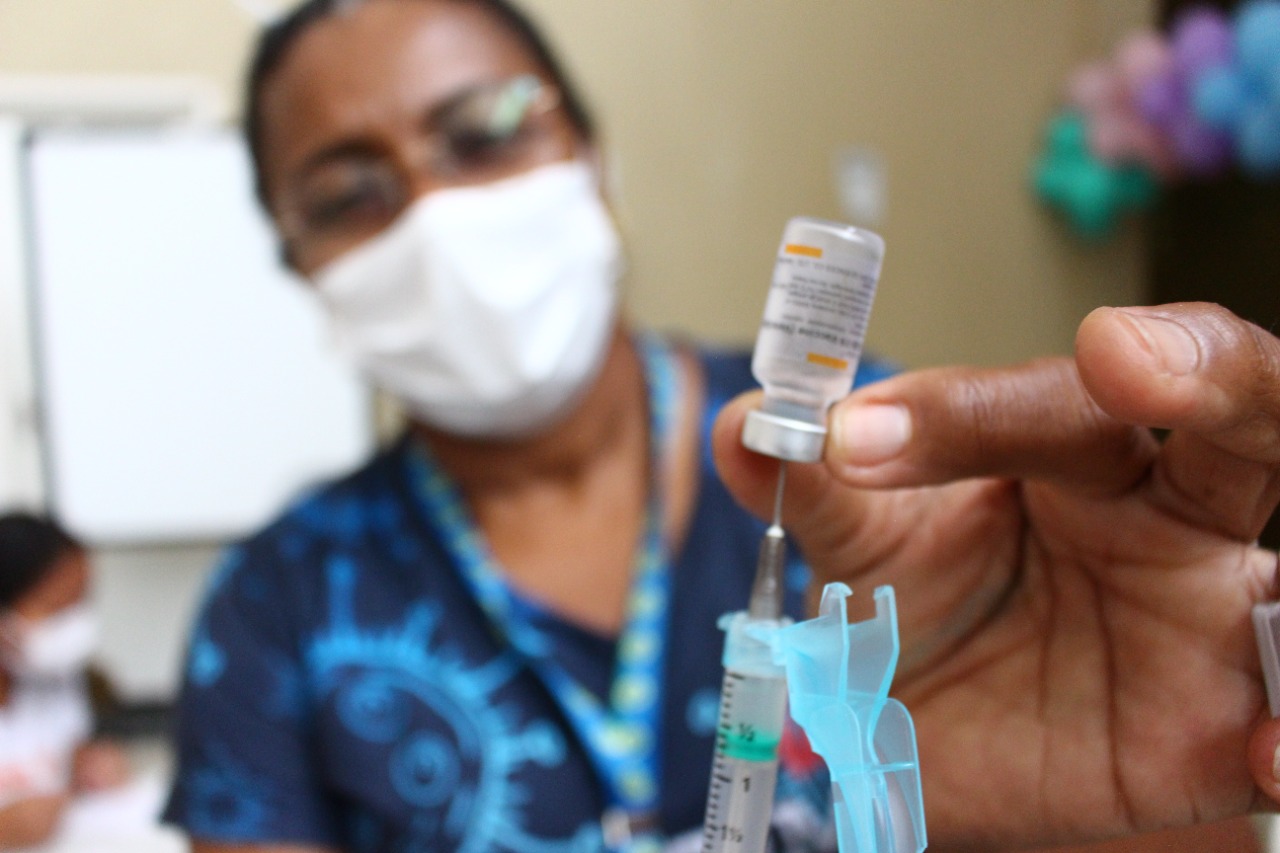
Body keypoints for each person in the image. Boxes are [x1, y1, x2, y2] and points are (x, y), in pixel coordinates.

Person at [160, 1, 1276, 851]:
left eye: (484, 132)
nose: (433, 213)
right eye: (345, 196)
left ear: (593, 161)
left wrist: (1127, 793)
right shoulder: (279, 605)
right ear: (297, 264)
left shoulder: (887, 471)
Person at [0, 512, 130, 848]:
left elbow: (66, 760)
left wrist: (90, 767)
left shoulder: (57, 683)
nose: (73, 625)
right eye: (57, 608)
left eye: (81, 602)